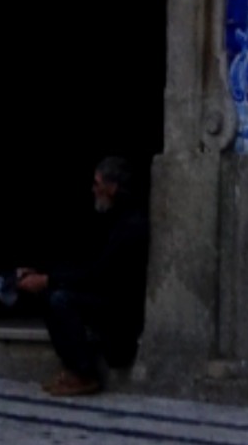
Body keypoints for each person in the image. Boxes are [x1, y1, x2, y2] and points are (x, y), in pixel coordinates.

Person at [8, 156, 148, 397]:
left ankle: (84, 373)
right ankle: (73, 368)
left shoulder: (131, 226)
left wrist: (48, 279)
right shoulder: (112, 219)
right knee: (51, 294)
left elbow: (99, 275)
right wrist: (43, 274)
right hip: (104, 297)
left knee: (60, 299)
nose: (93, 189)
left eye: (97, 183)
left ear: (112, 187)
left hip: (120, 313)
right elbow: (85, 266)